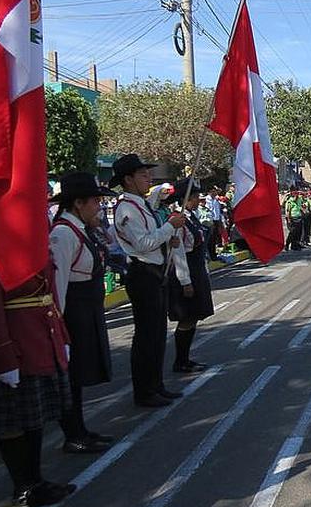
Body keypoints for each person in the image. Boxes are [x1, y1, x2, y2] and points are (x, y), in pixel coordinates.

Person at [0, 218, 77, 507]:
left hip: (43, 337)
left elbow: (50, 295)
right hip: (15, 341)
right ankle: (23, 484)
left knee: (35, 415)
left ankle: (36, 479)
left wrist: (62, 337)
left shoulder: (34, 242)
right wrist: (2, 353)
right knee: (15, 419)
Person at [110, 154, 186, 407]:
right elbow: (142, 243)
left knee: (156, 333)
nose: (149, 178)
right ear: (128, 180)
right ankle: (144, 390)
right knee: (146, 335)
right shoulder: (126, 208)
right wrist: (169, 228)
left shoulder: (141, 204)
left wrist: (168, 238)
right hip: (142, 274)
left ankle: (156, 384)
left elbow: (153, 238)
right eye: (143, 175)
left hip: (155, 272)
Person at [49, 172, 116, 454]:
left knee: (80, 374)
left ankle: (81, 429)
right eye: (95, 202)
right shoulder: (63, 233)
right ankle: (72, 434)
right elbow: (59, 284)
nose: (99, 207)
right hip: (73, 314)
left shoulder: (81, 228)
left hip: (86, 310)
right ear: (78, 203)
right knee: (72, 375)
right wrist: (59, 330)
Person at [166, 178, 215, 374]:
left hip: (197, 270)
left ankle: (186, 359)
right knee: (187, 317)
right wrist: (185, 281)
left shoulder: (191, 217)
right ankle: (180, 361)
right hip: (186, 273)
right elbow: (177, 253)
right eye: (194, 197)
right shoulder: (177, 220)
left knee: (194, 317)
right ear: (184, 200)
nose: (197, 200)